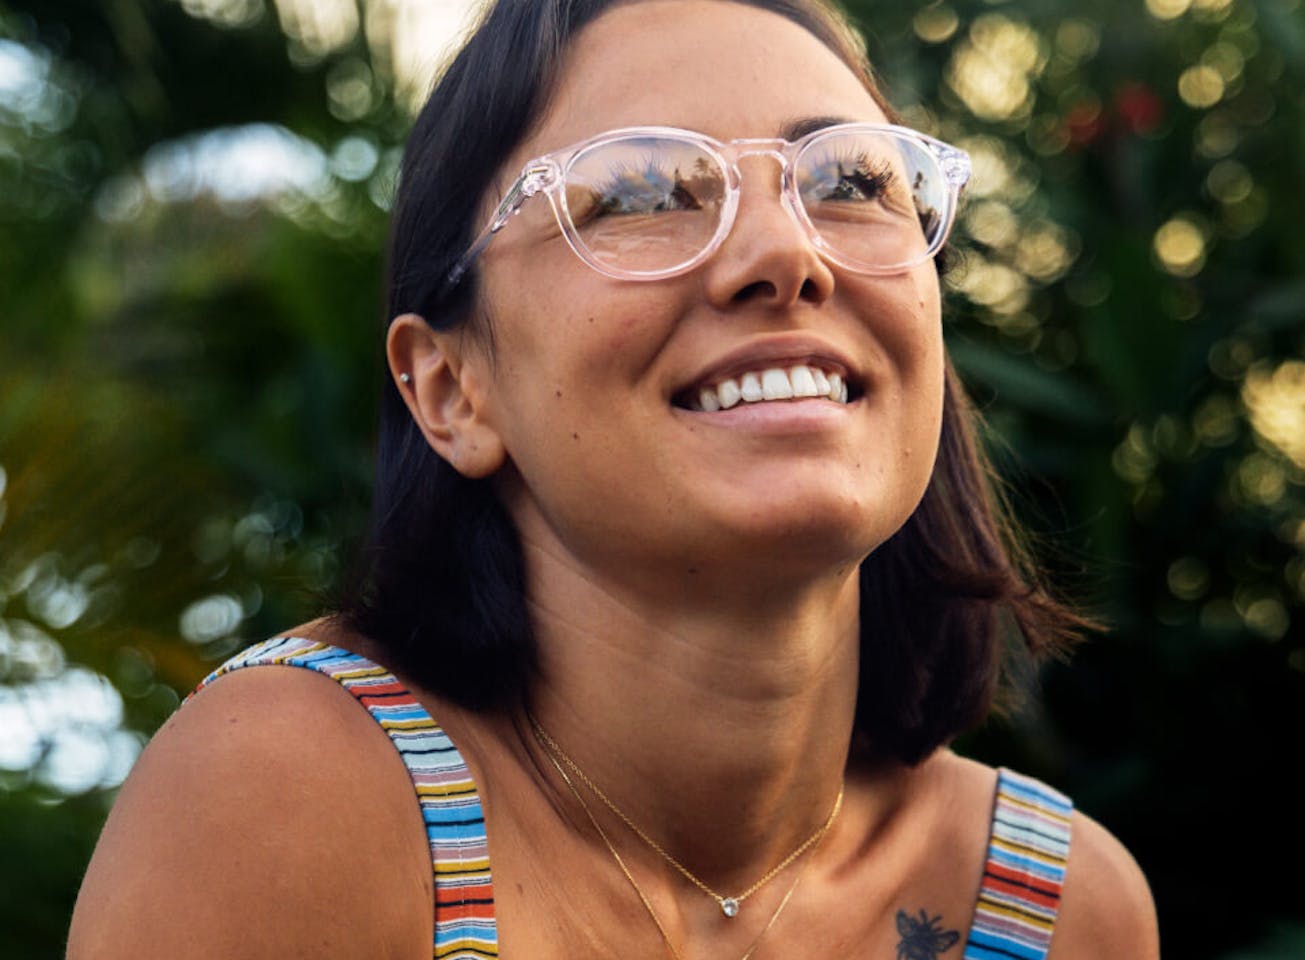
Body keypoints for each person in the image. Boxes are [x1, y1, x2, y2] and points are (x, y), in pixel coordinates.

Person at [67, 0, 1160, 957]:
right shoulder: (289, 800)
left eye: (853, 180)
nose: (786, 252)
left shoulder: (1055, 910)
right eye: (643, 192)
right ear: (452, 388)